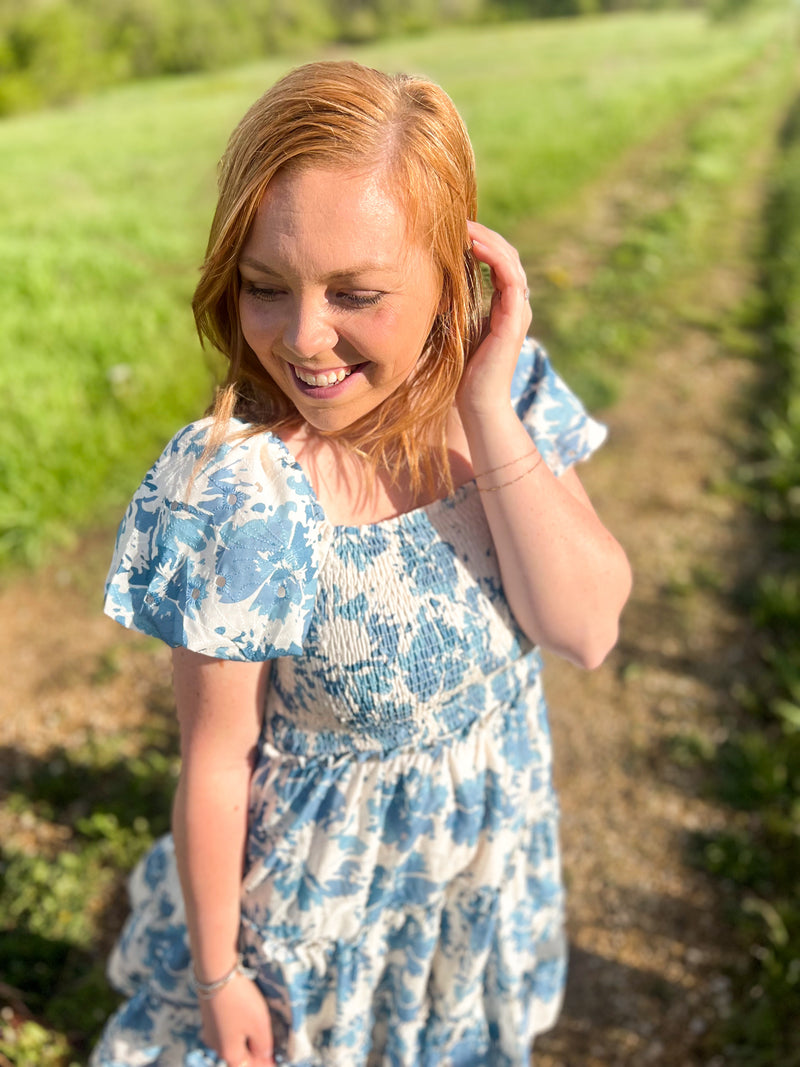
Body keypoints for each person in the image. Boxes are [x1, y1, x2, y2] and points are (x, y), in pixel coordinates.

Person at [92, 59, 631, 1067]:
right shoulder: (242, 489)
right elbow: (216, 758)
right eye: (265, 287)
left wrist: (483, 409)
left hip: (471, 890)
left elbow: (586, 628)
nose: (303, 338)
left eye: (356, 292)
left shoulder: (504, 394)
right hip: (316, 936)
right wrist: (219, 976)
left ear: (449, 280)